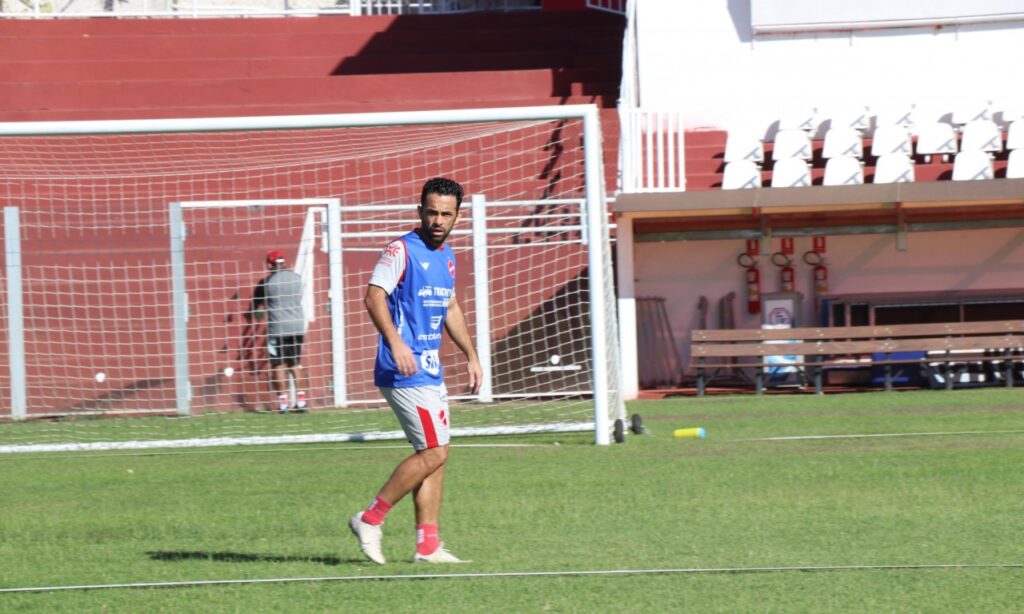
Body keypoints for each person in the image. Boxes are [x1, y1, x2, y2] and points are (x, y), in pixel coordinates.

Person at [349, 177, 482, 565]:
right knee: (433, 451)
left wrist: (470, 355)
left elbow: (451, 307)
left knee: (437, 453)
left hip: (430, 367)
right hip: (403, 366)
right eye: (431, 212)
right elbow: (373, 296)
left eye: (446, 214)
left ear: (458, 216)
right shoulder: (400, 250)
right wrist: (395, 341)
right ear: (419, 211)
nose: (438, 220)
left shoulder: (448, 256)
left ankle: (427, 546)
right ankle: (370, 518)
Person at [249, 249, 309, 413]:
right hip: (297, 327)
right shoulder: (297, 279)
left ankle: (283, 404)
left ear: (269, 264)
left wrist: (256, 313)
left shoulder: (267, 283)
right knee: (295, 364)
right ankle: (302, 402)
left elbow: (256, 305)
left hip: (278, 329)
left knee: (278, 365)